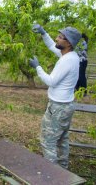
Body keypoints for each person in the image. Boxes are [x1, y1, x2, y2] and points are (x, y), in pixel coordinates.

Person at [29, 24, 82, 169]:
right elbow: (53, 46)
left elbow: (51, 81)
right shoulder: (70, 55)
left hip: (58, 107)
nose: (56, 39)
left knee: (48, 141)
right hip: (66, 106)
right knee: (62, 140)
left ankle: (51, 175)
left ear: (68, 43)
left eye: (60, 37)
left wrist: (37, 67)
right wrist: (43, 33)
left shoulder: (66, 61)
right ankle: (63, 171)